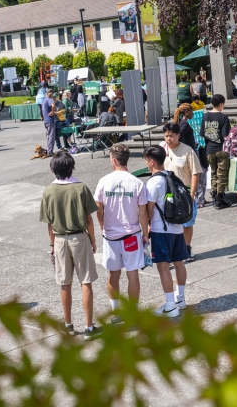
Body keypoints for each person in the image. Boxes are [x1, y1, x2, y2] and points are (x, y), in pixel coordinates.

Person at [39, 151, 102, 338]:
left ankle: (68, 325)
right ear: (71, 166)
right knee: (86, 281)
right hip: (79, 237)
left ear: (53, 169)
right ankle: (89, 327)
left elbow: (49, 224)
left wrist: (52, 245)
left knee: (64, 283)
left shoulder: (48, 191)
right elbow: (89, 220)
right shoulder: (81, 188)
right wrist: (93, 240)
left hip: (59, 239)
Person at [94, 144, 150, 320]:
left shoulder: (104, 181)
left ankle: (116, 312)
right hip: (131, 235)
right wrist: (145, 233)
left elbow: (99, 209)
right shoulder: (137, 183)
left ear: (113, 159)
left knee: (113, 274)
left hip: (111, 236)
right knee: (132, 274)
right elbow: (143, 212)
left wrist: (103, 225)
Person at [143, 145, 189, 317]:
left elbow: (149, 210)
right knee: (179, 263)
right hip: (177, 228)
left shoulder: (153, 182)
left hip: (161, 230)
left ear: (152, 161)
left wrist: (145, 226)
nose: (147, 164)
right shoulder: (171, 176)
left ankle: (170, 305)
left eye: (147, 161)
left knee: (163, 266)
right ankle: (181, 299)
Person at [161, 122, 202, 263]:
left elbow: (195, 173)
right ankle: (174, 249)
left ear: (178, 135)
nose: (168, 139)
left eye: (171, 136)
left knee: (187, 223)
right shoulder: (161, 149)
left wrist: (192, 193)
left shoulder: (187, 150)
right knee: (169, 223)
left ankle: (187, 247)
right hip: (167, 193)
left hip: (184, 192)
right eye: (166, 136)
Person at [202, 94, 232, 208]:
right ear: (221, 104)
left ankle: (214, 194)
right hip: (221, 149)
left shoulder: (205, 116)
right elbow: (226, 136)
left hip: (209, 149)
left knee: (214, 173)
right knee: (221, 174)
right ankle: (219, 199)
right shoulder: (223, 117)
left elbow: (202, 133)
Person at [42, 88, 58, 155]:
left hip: (45, 120)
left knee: (48, 135)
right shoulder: (49, 100)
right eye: (52, 94)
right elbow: (53, 105)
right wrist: (53, 111)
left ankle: (49, 149)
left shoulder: (44, 100)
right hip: (50, 120)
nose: (52, 95)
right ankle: (50, 151)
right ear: (50, 93)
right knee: (51, 136)